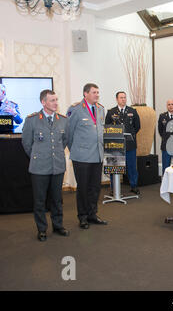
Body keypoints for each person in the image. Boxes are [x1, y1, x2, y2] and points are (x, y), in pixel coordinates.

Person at [21, 89, 69, 241]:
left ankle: (58, 225)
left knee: (57, 199)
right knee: (40, 201)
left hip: (57, 166)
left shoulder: (63, 120)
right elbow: (27, 143)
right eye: (52, 100)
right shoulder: (32, 120)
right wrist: (38, 157)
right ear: (43, 102)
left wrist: (54, 155)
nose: (56, 103)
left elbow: (64, 141)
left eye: (56, 100)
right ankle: (42, 229)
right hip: (39, 167)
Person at [67, 83, 108, 229]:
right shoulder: (76, 109)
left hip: (97, 155)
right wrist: (76, 150)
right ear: (85, 94)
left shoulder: (101, 109)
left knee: (95, 187)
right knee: (83, 188)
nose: (97, 95)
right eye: (94, 92)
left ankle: (92, 214)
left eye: (98, 92)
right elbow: (69, 134)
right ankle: (82, 217)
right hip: (82, 157)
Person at [105, 91, 141, 194]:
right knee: (114, 167)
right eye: (121, 98)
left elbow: (137, 126)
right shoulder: (111, 112)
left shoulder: (132, 111)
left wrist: (130, 135)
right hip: (115, 145)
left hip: (130, 145)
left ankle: (134, 186)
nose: (123, 99)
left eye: (125, 97)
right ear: (117, 99)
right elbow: (107, 127)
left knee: (132, 167)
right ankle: (114, 188)